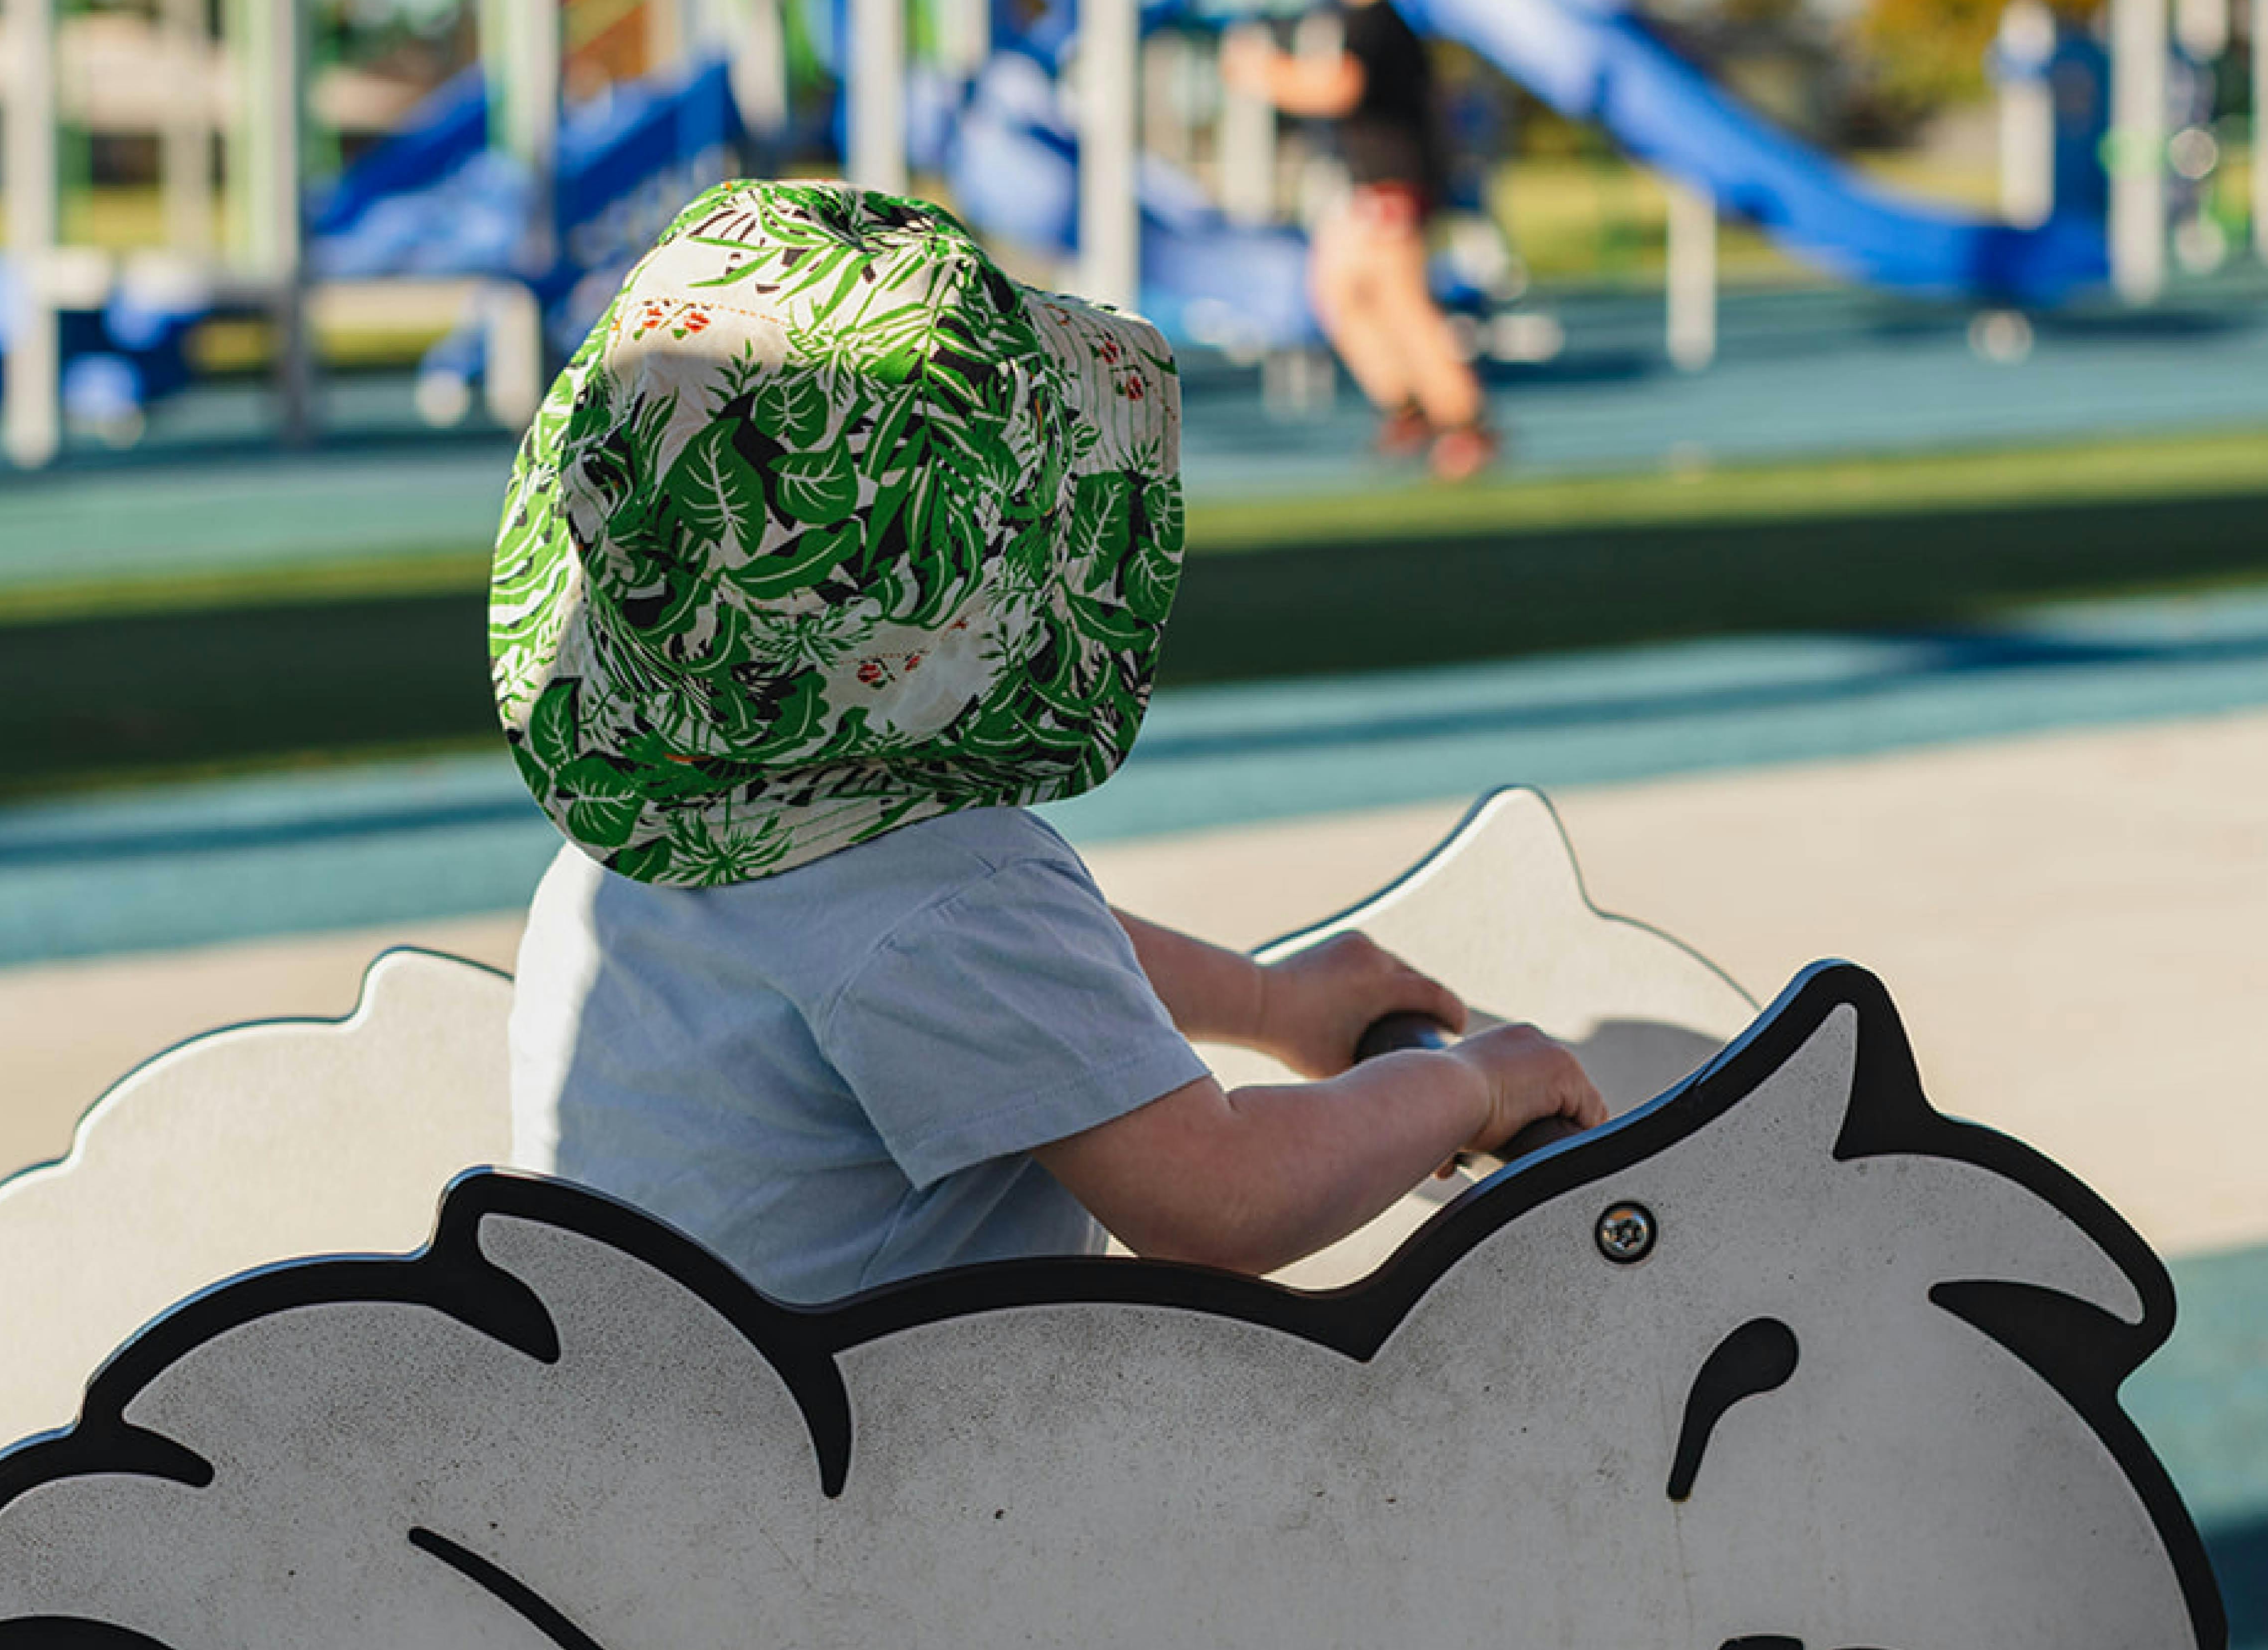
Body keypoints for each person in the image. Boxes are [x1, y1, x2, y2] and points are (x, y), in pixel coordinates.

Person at [492, 179, 1600, 1304]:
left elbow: (1006, 973)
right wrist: (1467, 1089)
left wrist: (1269, 1004)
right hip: (868, 1462)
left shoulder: (648, 837)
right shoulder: (951, 907)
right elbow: (1222, 1201)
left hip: (634, 1431)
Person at [1224, 0, 1497, 479]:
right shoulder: (1367, 18)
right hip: (1368, 186)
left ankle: (1463, 421)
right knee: (1339, 294)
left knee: (1401, 305)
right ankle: (1408, 406)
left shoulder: (1373, 19)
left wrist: (1261, 72)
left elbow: (1336, 89)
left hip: (1391, 186)